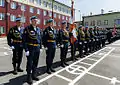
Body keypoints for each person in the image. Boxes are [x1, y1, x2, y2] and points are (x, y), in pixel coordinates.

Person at [23, 16, 42, 84]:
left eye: (36, 20)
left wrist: (40, 47)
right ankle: (29, 77)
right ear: (31, 21)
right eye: (34, 20)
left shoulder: (38, 29)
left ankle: (34, 75)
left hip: (37, 48)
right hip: (30, 48)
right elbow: (24, 40)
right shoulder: (27, 28)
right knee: (30, 63)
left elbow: (40, 39)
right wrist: (26, 50)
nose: (35, 22)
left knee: (35, 63)